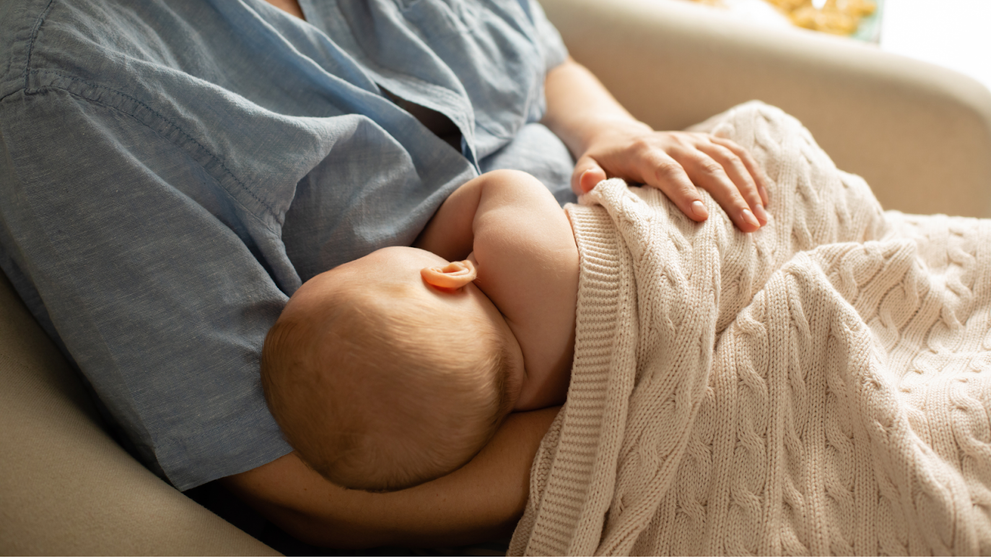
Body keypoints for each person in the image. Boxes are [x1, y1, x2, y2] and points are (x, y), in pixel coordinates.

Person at [0, 0, 769, 547]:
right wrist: (659, 422)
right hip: (642, 391)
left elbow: (541, 59)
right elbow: (302, 489)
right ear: (452, 272)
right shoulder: (64, 85)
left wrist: (613, 130)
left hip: (673, 250)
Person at [261, 169, 583, 493]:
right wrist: (429, 246)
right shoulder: (524, 267)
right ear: (448, 275)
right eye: (352, 265)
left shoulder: (534, 403)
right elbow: (507, 185)